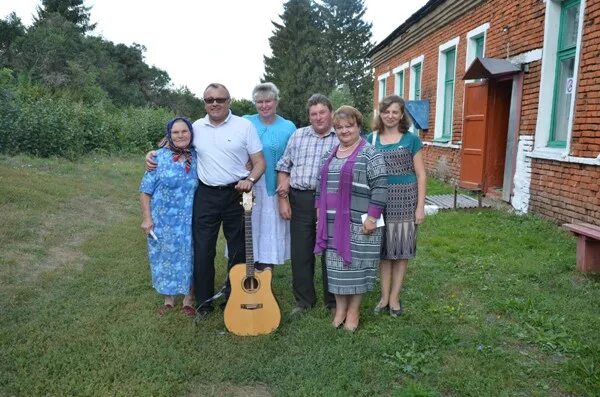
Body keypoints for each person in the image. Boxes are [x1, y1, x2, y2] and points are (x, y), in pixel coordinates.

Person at [146, 83, 266, 319]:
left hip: (237, 193)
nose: (215, 103)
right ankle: (203, 303)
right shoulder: (196, 127)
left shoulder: (245, 126)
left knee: (238, 249)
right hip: (206, 194)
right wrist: (150, 154)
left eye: (220, 99)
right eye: (209, 99)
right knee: (203, 250)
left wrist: (250, 179)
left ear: (228, 101)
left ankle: (235, 297)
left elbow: (259, 161)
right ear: (204, 103)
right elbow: (171, 142)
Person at [314, 106, 388, 331]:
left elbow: (381, 186)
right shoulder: (330, 154)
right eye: (339, 127)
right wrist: (319, 211)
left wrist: (373, 218)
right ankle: (340, 309)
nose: (344, 131)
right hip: (332, 223)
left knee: (357, 268)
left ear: (358, 126)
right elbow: (320, 185)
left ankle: (353, 311)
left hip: (360, 223)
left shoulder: (370, 153)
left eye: (349, 126)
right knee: (335, 269)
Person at [276, 94, 339, 315]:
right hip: (301, 199)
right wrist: (282, 199)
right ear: (309, 116)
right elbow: (283, 166)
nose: (318, 117)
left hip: (332, 200)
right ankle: (304, 301)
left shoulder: (341, 136)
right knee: (301, 251)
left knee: (332, 251)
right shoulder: (298, 136)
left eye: (322, 112)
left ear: (331, 113)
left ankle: (333, 301)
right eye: (314, 114)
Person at [367, 95, 426, 317]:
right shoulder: (371, 139)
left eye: (395, 112)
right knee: (383, 251)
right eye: (386, 111)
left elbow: (421, 175)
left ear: (402, 115)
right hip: (380, 202)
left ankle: (395, 298)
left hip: (406, 200)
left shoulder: (411, 140)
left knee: (400, 251)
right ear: (380, 114)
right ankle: (383, 296)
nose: (390, 116)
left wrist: (420, 207)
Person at [140, 117, 198, 317]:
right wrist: (147, 218)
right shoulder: (158, 158)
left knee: (190, 256)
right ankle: (168, 300)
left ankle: (189, 300)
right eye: (175, 132)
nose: (180, 135)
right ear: (169, 135)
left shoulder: (198, 157)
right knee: (163, 257)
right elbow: (145, 191)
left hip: (190, 219)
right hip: (163, 220)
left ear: (191, 133)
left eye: (184, 131)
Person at [243, 83, 296, 269]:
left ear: (276, 102)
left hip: (273, 186)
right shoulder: (245, 122)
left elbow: (293, 158)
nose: (264, 105)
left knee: (268, 230)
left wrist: (287, 183)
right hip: (249, 185)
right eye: (259, 102)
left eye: (268, 101)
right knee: (250, 230)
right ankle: (245, 272)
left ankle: (265, 276)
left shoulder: (288, 127)